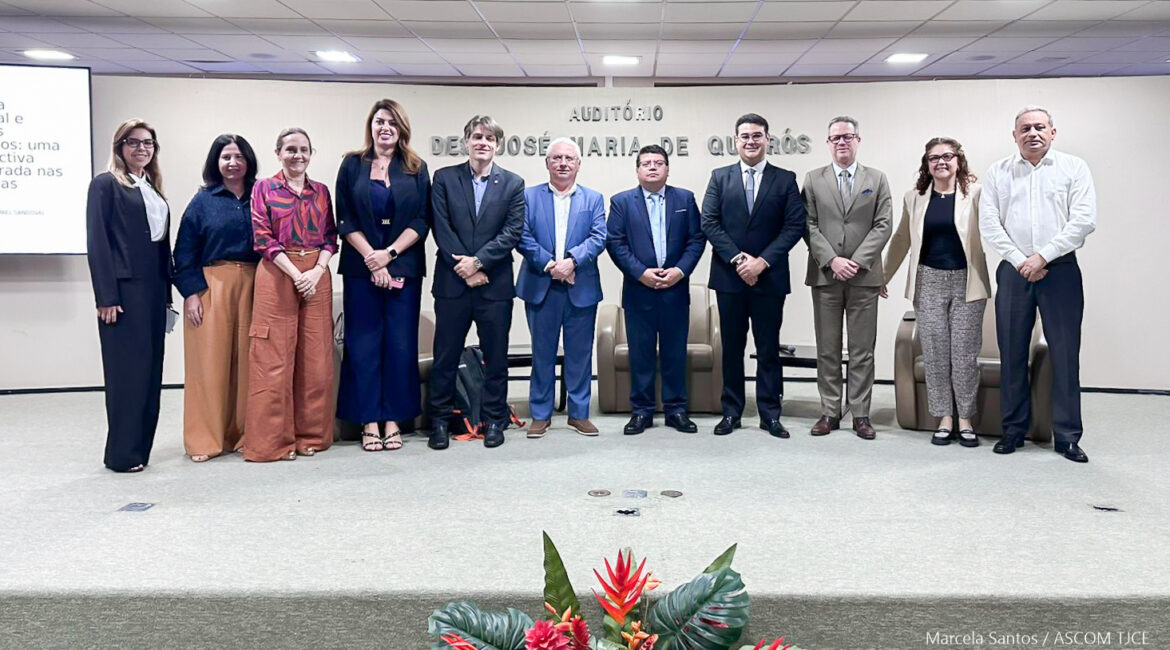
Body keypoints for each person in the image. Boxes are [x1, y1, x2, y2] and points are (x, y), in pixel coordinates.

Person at [980, 106, 1096, 463]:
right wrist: (1021, 261)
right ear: (1014, 135)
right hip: (1014, 271)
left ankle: (1067, 436)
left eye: (1040, 127)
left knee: (1064, 353)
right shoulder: (998, 172)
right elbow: (989, 223)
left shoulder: (1073, 168)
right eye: (1025, 128)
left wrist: (1042, 256)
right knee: (1012, 352)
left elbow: (1083, 221)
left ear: (1053, 132)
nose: (1033, 133)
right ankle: (1013, 430)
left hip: (1059, 270)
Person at [701, 113, 806, 439]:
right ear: (736, 141)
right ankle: (731, 412)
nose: (751, 141)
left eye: (757, 135)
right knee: (731, 348)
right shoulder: (720, 177)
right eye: (745, 136)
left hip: (769, 278)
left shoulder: (785, 179)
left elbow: (794, 226)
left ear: (767, 139)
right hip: (729, 279)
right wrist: (738, 259)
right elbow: (709, 222)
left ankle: (770, 414)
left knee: (768, 349)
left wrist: (761, 262)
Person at [335, 99, 431, 452]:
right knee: (362, 345)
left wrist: (388, 256)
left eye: (391, 122)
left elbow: (422, 220)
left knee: (399, 345)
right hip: (361, 270)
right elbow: (344, 218)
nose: (385, 128)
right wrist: (372, 261)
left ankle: (393, 419)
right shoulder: (351, 165)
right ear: (370, 126)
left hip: (404, 266)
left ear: (401, 127)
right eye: (379, 121)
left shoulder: (416, 167)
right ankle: (367, 420)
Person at [882, 137, 990, 447]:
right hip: (928, 281)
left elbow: (994, 228)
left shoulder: (977, 195)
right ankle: (944, 417)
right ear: (926, 165)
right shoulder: (914, 197)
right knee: (935, 354)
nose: (941, 162)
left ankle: (966, 418)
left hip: (968, 283)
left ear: (959, 160)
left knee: (964, 356)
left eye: (947, 156)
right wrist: (883, 276)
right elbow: (902, 239)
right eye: (933, 158)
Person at [427, 116, 525, 450]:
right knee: (446, 355)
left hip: (494, 285)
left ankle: (494, 420)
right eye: (477, 137)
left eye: (490, 138)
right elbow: (441, 228)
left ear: (498, 144)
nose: (483, 142)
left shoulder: (513, 183)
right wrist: (467, 268)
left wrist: (479, 263)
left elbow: (512, 232)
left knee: (496, 358)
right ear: (466, 141)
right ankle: (439, 421)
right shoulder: (443, 178)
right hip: (452, 284)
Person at [244, 127, 338, 462]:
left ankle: (311, 436)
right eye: (290, 150)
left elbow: (330, 237)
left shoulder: (322, 192)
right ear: (278, 153)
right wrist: (297, 274)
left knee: (316, 359)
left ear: (311, 153)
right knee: (273, 358)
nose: (297, 156)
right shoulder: (263, 188)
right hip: (278, 271)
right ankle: (272, 442)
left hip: (316, 274)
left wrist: (316, 272)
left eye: (304, 150)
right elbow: (262, 237)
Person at [86, 118, 173, 473]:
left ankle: (140, 450)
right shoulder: (105, 185)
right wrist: (105, 296)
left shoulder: (151, 187)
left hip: (153, 291)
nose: (142, 149)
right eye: (133, 142)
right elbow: (97, 243)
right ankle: (122, 454)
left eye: (148, 143)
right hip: (123, 292)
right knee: (127, 374)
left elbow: (159, 245)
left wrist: (166, 296)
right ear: (119, 147)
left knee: (151, 372)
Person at [803, 116, 892, 441]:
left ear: (858, 140)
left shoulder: (877, 179)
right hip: (826, 276)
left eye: (847, 137)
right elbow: (808, 225)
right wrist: (832, 260)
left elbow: (884, 224)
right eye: (835, 138)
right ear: (828, 143)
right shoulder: (813, 179)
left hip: (864, 277)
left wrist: (855, 262)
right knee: (827, 349)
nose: (842, 142)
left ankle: (861, 414)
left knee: (861, 350)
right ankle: (829, 411)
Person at [173, 134, 261, 462]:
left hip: (255, 282)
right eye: (226, 157)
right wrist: (191, 293)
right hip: (212, 284)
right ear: (216, 162)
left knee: (248, 363)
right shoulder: (203, 201)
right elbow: (183, 251)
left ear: (249, 161)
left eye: (239, 156)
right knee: (207, 365)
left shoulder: (261, 195)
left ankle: (240, 435)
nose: (233, 163)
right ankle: (203, 440)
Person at [607, 144, 706, 435]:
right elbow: (615, 242)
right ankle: (642, 412)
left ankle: (676, 410)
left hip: (676, 290)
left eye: (659, 162)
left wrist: (680, 271)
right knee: (641, 354)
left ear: (667, 168)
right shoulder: (621, 202)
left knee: (675, 353)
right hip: (639, 292)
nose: (652, 167)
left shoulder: (685, 198)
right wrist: (640, 273)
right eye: (646, 163)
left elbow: (696, 239)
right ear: (637, 169)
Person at [515, 138, 606, 438]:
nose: (563, 163)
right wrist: (551, 266)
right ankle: (540, 413)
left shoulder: (593, 198)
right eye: (556, 158)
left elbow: (598, 237)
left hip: (580, 286)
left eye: (569, 158)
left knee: (580, 354)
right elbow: (522, 235)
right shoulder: (528, 196)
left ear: (579, 164)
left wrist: (571, 262)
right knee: (543, 352)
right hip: (541, 285)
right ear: (547, 163)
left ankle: (578, 413)